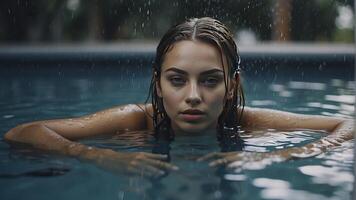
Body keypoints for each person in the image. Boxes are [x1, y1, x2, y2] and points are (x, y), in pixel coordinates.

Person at [4, 17, 354, 178]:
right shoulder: (136, 119)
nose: (192, 96)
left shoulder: (247, 121)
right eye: (177, 80)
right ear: (158, 84)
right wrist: (98, 156)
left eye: (210, 81)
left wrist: (281, 156)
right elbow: (22, 132)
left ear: (231, 87)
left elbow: (348, 123)